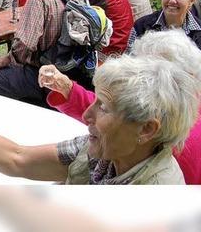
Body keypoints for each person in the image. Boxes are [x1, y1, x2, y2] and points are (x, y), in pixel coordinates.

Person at [0, 54, 199, 184]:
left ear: (147, 129)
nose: (86, 113)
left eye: (103, 107)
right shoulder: (107, 152)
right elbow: (18, 158)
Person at [41, 29, 201, 184]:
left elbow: (119, 112)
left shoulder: (174, 144)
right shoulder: (177, 109)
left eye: (147, 71)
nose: (136, 74)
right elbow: (118, 107)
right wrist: (68, 89)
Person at [127, 0, 201, 51]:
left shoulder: (199, 31)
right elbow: (129, 57)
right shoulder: (141, 26)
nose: (172, 1)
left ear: (191, 1)